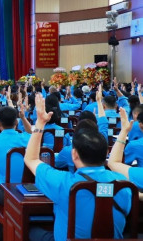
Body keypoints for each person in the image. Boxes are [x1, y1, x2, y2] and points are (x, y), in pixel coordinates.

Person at [24, 93, 131, 241]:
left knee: (28, 228)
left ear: (74, 154)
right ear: (106, 153)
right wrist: (123, 132)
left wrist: (40, 123)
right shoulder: (124, 185)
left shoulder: (63, 182)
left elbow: (31, 159)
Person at [0, 106, 31, 204]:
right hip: (27, 190)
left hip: (4, 192)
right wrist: (23, 117)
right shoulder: (26, 139)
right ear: (16, 122)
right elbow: (31, 132)